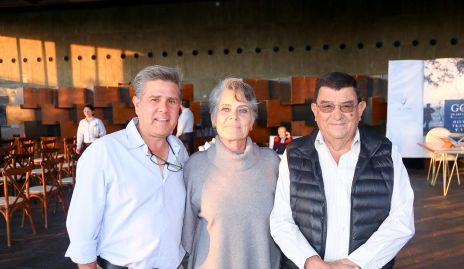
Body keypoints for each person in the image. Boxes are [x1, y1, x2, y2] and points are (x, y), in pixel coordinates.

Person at [270, 72, 414, 269]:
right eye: (327, 106)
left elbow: (401, 220)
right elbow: (281, 220)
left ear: (360, 109)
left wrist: (354, 264)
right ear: (315, 110)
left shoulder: (386, 153)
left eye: (346, 106)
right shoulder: (294, 154)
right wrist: (313, 263)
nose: (337, 115)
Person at [65, 65, 189, 269]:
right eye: (154, 99)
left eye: (172, 101)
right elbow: (82, 230)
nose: (164, 109)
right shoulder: (104, 153)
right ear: (137, 104)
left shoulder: (179, 151)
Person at [182, 78, 281, 269]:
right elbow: (185, 242)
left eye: (242, 110)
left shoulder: (272, 165)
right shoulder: (195, 167)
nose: (233, 117)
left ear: (252, 120)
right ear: (213, 118)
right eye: (225, 109)